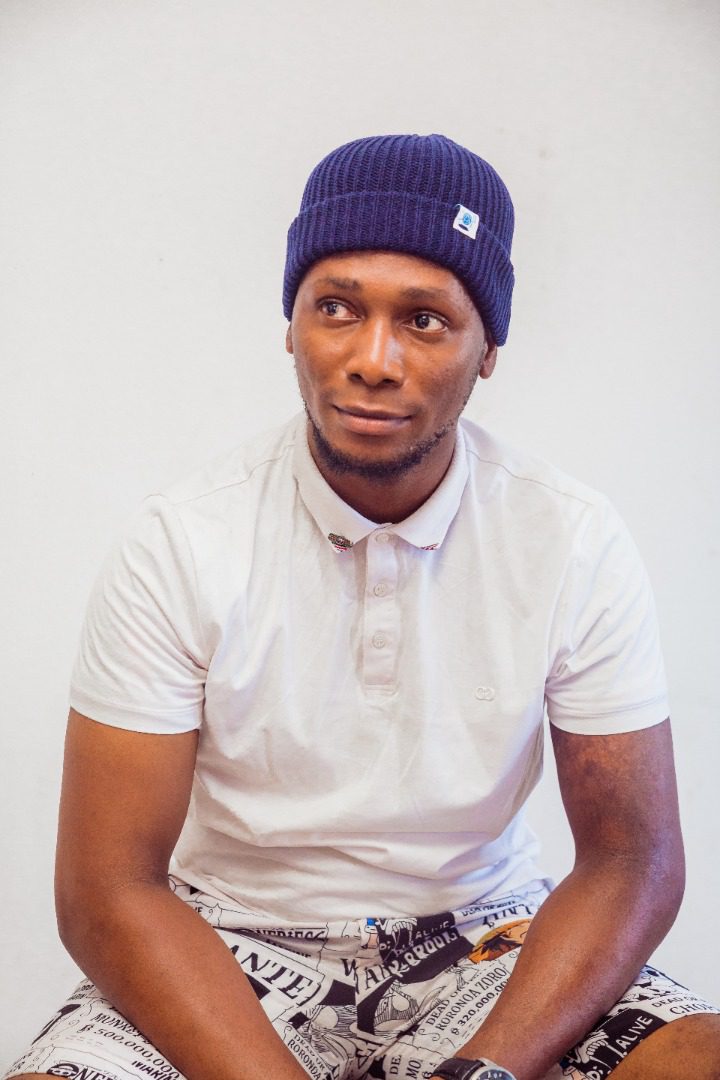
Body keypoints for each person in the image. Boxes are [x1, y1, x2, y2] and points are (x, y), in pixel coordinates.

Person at [5, 134, 720, 1080]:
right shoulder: (181, 539)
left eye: (425, 319)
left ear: (488, 348)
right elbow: (108, 888)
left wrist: (485, 1073)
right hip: (226, 947)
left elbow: (633, 861)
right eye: (336, 307)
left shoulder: (571, 537)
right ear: (290, 324)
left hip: (489, 943)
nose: (373, 360)